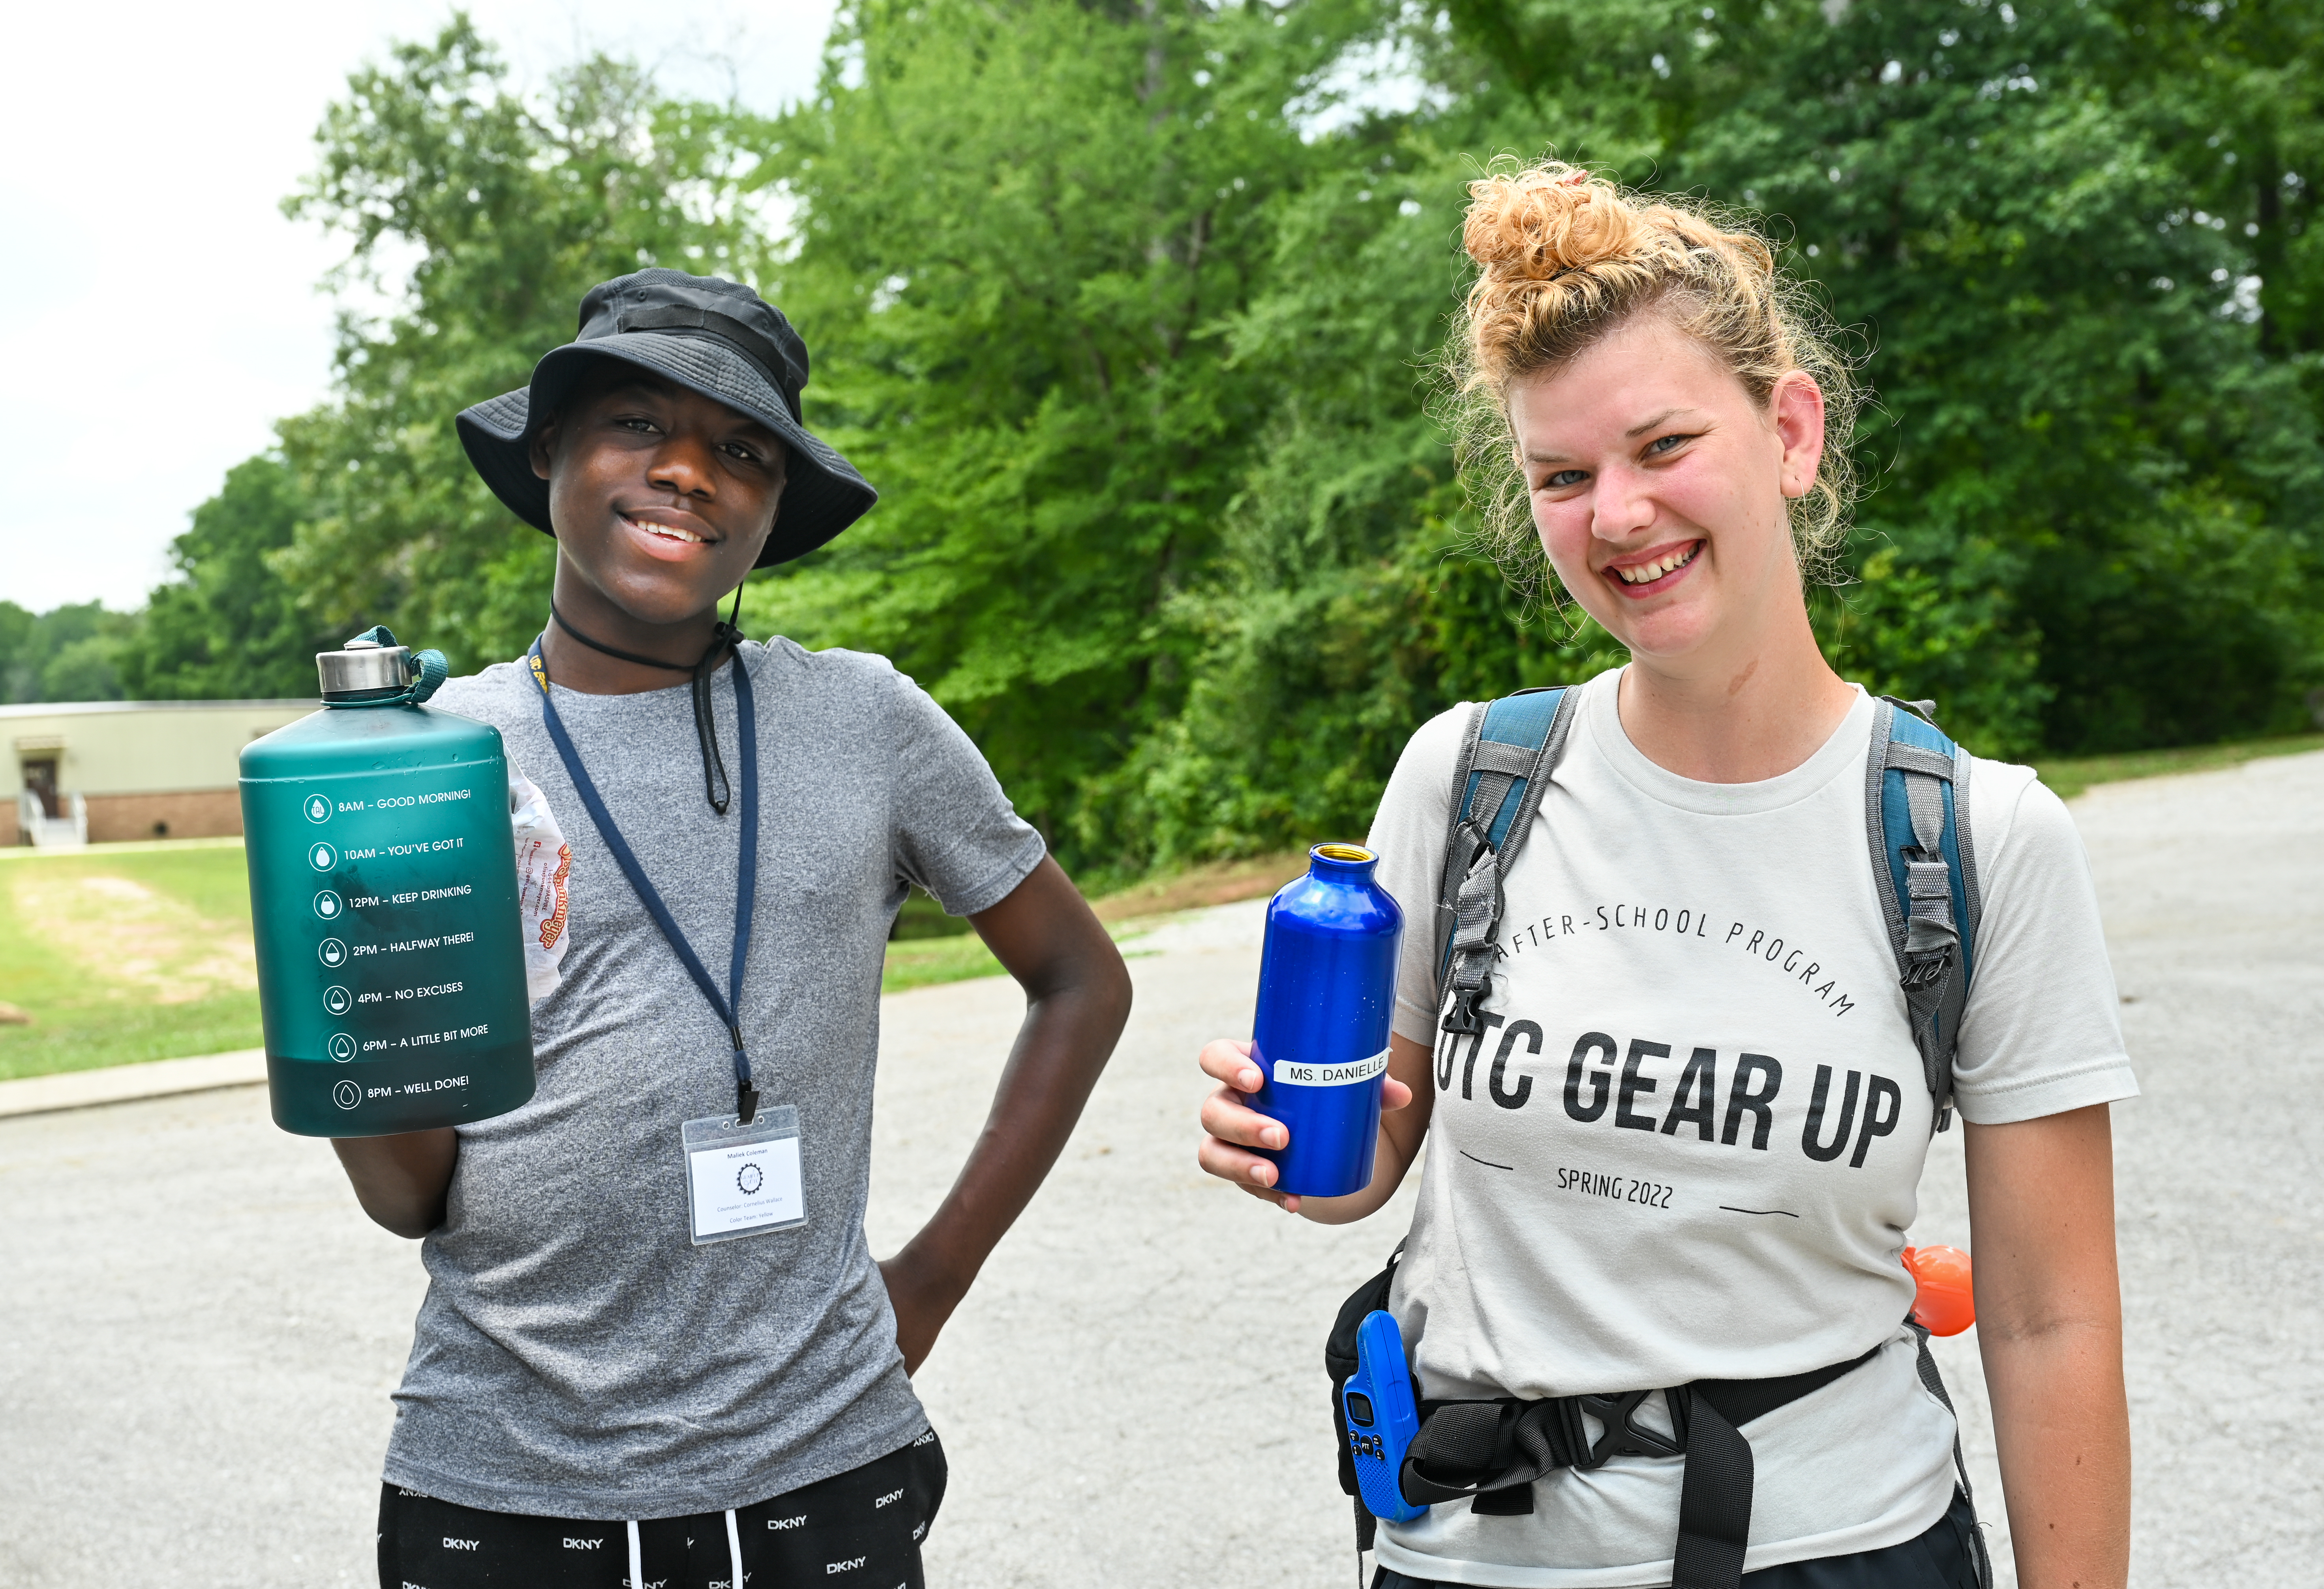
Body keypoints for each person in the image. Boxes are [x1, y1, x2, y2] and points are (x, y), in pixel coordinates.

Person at [1195, 168, 2134, 1589]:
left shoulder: (1975, 837)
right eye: (1561, 477)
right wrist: (1298, 1152)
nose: (1617, 515)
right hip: (1476, 1557)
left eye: (1663, 445)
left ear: (1792, 432)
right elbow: (1367, 1170)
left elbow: (2054, 1318)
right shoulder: (1469, 781)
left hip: (1843, 1549)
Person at [334, 268, 1133, 1589]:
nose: (689, 472)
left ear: (772, 505)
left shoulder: (863, 723)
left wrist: (930, 1278)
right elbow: (407, 1193)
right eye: (638, 425)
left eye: (742, 449)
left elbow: (1079, 981)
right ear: (551, 452)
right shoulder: (434, 766)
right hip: (501, 1489)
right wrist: (353, 1000)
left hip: (822, 1472)